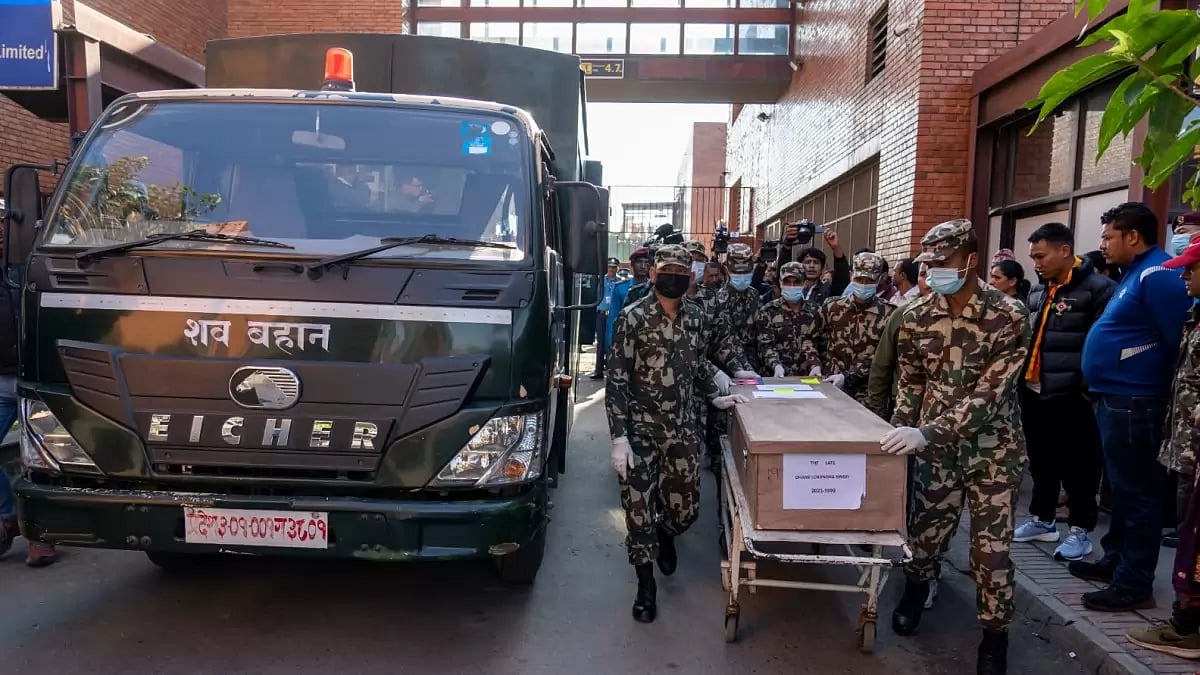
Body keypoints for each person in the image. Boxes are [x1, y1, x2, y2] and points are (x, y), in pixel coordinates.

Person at [883, 219, 1030, 675]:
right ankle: (915, 588)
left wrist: (928, 431)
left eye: (943, 262)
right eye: (928, 264)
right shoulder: (915, 316)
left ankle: (994, 635)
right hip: (933, 454)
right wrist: (901, 430)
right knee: (924, 535)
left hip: (993, 450)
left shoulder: (1008, 315)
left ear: (969, 259)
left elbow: (991, 394)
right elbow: (911, 382)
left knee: (991, 551)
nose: (934, 272)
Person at [606, 244, 746, 623]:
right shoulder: (632, 318)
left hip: (683, 430)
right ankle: (645, 585)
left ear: (690, 279)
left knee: (685, 511)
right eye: (667, 271)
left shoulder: (697, 317)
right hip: (639, 430)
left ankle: (667, 532)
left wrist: (715, 391)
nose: (674, 278)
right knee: (637, 512)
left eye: (682, 274)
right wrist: (618, 437)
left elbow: (696, 364)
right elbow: (617, 381)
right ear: (653, 274)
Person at [1073, 202, 1192, 612]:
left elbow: (1178, 340)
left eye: (1108, 236)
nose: (1102, 245)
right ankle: (1115, 560)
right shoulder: (1134, 274)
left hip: (1136, 400)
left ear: (1132, 237)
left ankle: (1134, 582)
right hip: (1115, 396)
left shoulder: (1158, 275)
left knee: (1138, 492)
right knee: (1120, 490)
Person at [1012, 222, 1114, 561]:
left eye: (1041, 256)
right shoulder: (1040, 292)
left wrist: (1085, 388)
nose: (1036, 263)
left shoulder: (1099, 290)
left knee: (1079, 466)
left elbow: (1103, 344)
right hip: (1035, 391)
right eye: (1032, 257)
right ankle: (1043, 520)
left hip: (1073, 397)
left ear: (1065, 251)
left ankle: (1081, 531)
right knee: (1041, 462)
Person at [1125, 234, 1200, 658]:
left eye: (1191, 268)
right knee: (1190, 535)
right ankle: (1187, 620)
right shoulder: (1196, 314)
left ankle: (1187, 626)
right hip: (1189, 449)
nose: (1184, 275)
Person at [819, 252, 893, 405]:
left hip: (868, 394)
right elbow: (811, 337)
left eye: (869, 280)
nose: (864, 284)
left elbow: (885, 357)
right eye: (860, 279)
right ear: (852, 275)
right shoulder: (832, 307)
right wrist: (814, 363)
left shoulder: (889, 314)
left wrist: (848, 376)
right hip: (831, 387)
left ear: (880, 279)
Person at [755, 262, 825, 378]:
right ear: (780, 283)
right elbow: (765, 345)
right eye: (787, 282)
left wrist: (815, 365)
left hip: (808, 378)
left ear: (803, 283)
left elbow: (819, 343)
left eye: (796, 282)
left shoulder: (815, 311)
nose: (792, 286)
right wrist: (775, 365)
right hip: (776, 377)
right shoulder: (768, 311)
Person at [717, 243, 764, 375]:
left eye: (746, 272)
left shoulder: (754, 294)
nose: (742, 276)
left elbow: (761, 332)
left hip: (756, 363)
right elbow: (729, 340)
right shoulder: (720, 299)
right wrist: (746, 370)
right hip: (732, 366)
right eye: (737, 272)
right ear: (727, 270)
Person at [592, 257, 630, 379]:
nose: (612, 269)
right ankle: (598, 370)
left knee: (612, 342)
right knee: (600, 343)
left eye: (614, 267)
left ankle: (611, 369)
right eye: (610, 267)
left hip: (614, 315)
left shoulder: (621, 283)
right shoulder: (601, 280)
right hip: (601, 315)